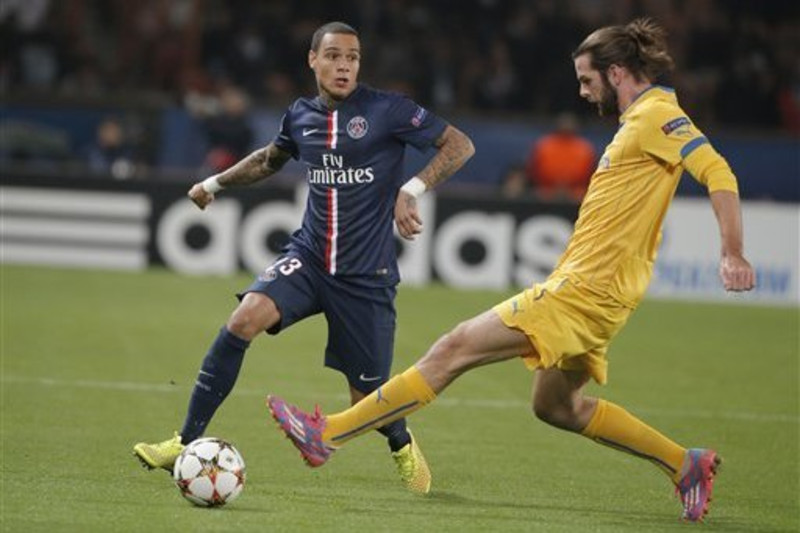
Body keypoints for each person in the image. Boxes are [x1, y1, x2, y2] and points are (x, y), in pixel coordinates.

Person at [267, 18, 755, 521]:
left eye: (588, 81)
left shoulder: (657, 115)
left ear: (616, 73)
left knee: (453, 348)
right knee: (556, 407)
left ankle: (327, 436)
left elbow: (717, 171)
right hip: (599, 292)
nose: (583, 93)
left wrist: (732, 251)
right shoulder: (637, 124)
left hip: (585, 291)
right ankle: (684, 464)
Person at [133, 21, 475, 495]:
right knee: (243, 319)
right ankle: (185, 440)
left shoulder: (388, 110)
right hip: (310, 259)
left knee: (368, 400)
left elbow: (460, 144)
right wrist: (213, 185)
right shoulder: (300, 116)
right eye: (333, 56)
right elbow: (268, 160)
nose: (344, 65)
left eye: (352, 57)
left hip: (365, 276)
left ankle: (399, 441)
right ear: (312, 60)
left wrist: (411, 188)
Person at [524, 112, 596, 201]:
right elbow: (532, 171)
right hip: (545, 191)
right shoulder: (544, 145)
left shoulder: (585, 148)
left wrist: (568, 188)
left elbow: (592, 174)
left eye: (569, 123)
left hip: (577, 193)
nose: (566, 126)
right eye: (564, 122)